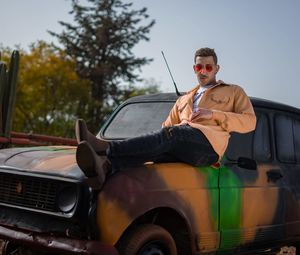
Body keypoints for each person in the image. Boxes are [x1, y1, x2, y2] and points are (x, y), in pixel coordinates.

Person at [75, 47, 256, 189]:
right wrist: (153, 141)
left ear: (217, 68)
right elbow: (165, 130)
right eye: (199, 67)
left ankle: (104, 147)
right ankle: (106, 167)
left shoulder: (233, 91)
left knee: (172, 134)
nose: (203, 71)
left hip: (209, 148)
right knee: (158, 150)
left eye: (208, 67)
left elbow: (250, 122)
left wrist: (213, 114)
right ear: (194, 68)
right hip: (183, 142)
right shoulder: (184, 99)